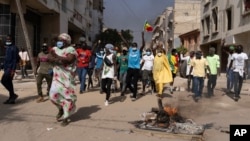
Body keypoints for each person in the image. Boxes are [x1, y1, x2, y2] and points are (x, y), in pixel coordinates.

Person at [48, 33, 78, 126]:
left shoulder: (71, 50)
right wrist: (55, 58)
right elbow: (49, 58)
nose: (59, 42)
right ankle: (61, 108)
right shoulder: (54, 49)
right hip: (56, 77)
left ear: (66, 42)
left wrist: (56, 58)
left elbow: (69, 60)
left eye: (61, 40)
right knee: (52, 96)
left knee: (67, 97)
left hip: (67, 78)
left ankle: (66, 117)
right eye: (58, 40)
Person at [119, 31, 145, 101]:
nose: (133, 47)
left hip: (136, 69)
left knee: (135, 82)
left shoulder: (139, 51)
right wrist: (121, 36)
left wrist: (142, 36)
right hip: (130, 68)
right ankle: (133, 91)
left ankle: (134, 96)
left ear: (136, 47)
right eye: (132, 46)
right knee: (127, 82)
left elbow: (143, 45)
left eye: (134, 46)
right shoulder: (130, 50)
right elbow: (126, 42)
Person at [1, 35, 19, 104]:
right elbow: (3, 47)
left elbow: (14, 60)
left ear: (12, 40)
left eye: (9, 40)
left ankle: (13, 95)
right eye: (7, 40)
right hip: (6, 67)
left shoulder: (14, 48)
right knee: (9, 82)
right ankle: (11, 98)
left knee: (3, 81)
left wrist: (13, 70)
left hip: (10, 68)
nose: (8, 41)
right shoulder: (8, 47)